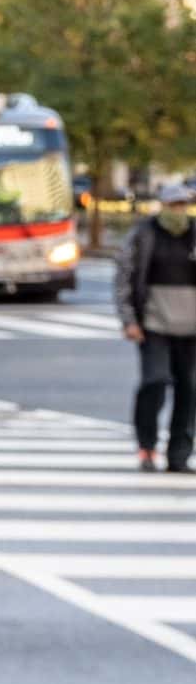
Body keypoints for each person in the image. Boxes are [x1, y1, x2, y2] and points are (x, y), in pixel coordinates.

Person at [116, 181, 196, 474]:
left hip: (191, 330)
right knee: (155, 382)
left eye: (183, 205)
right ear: (162, 205)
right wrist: (129, 320)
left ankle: (180, 454)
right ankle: (147, 447)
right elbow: (124, 278)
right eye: (173, 205)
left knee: (190, 390)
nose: (179, 210)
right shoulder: (144, 234)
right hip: (154, 325)